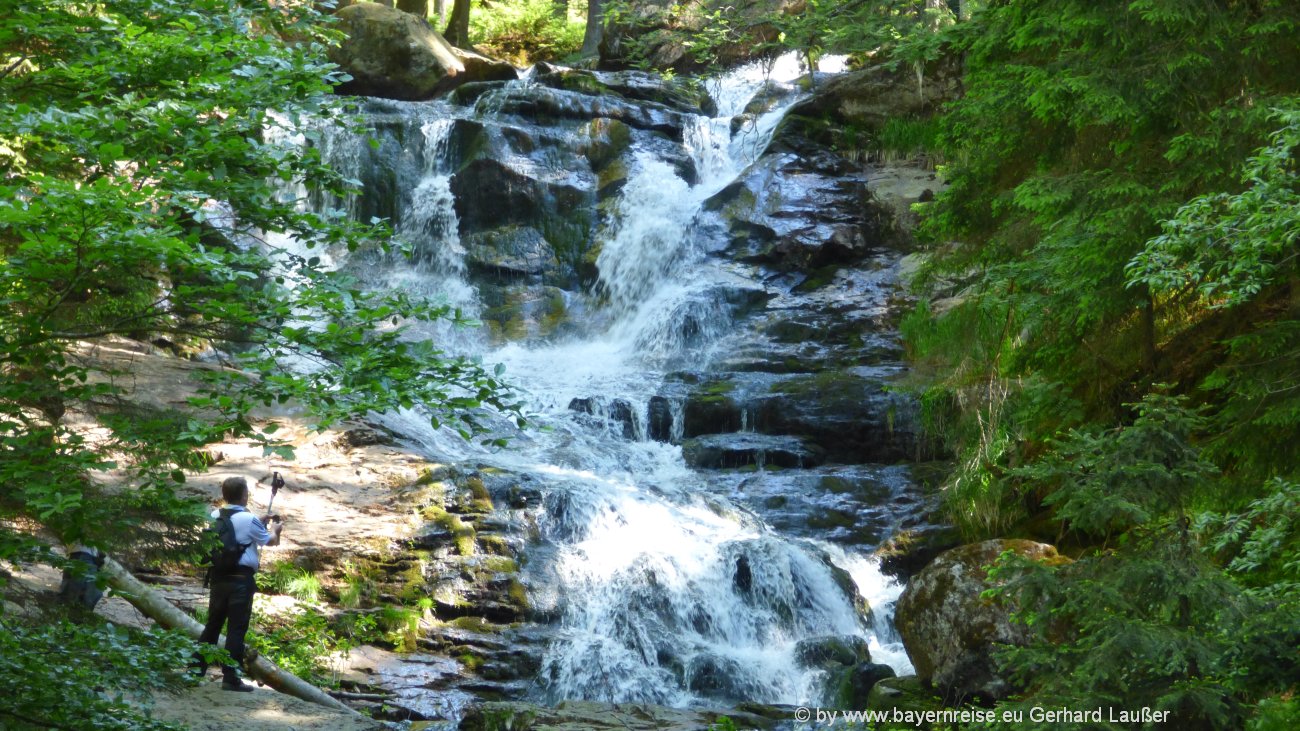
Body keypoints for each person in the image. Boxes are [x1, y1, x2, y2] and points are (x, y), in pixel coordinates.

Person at [195, 476, 282, 692]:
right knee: (236, 629)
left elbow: (236, 534)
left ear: (224, 495)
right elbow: (270, 541)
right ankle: (230, 677)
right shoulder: (249, 518)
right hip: (241, 581)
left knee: (212, 626)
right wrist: (276, 530)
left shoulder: (215, 516)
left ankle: (195, 670)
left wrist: (258, 522)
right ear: (244, 495)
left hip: (218, 578)